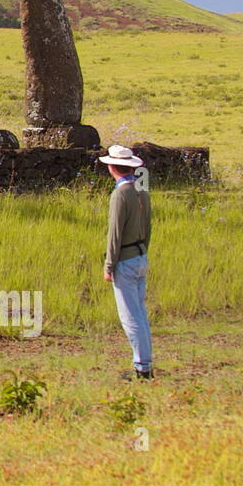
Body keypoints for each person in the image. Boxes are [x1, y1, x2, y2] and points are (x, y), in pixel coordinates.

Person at [100, 144, 152, 379]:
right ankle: (143, 363)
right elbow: (148, 228)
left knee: (131, 318)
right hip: (140, 255)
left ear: (112, 167)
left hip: (127, 261)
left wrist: (109, 265)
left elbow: (115, 233)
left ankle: (142, 368)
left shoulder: (121, 194)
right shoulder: (142, 191)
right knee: (140, 314)